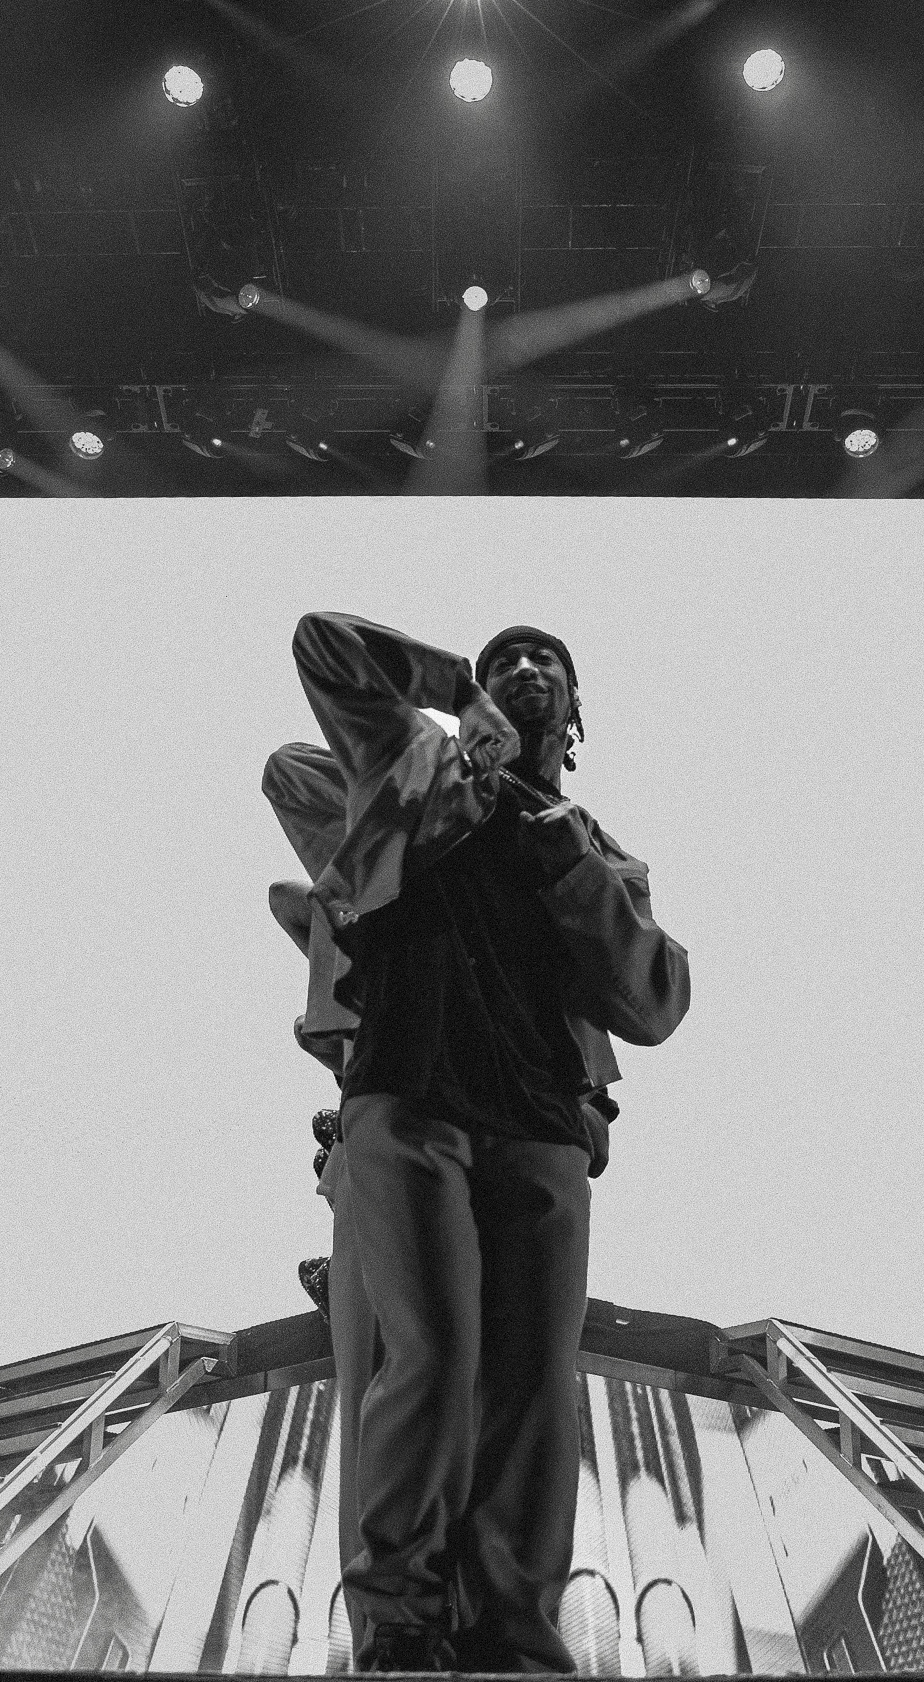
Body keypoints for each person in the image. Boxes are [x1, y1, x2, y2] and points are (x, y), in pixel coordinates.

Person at [263, 612, 690, 1675]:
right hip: (411, 1095)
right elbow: (317, 669)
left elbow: (653, 999)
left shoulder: (598, 852)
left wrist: (568, 860)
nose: (527, 668)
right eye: (507, 660)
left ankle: (512, 1632)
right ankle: (402, 1622)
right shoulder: (418, 775)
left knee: (532, 1386)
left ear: (577, 714)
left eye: (548, 661)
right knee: (433, 1356)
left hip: (541, 1124)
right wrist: (455, 703)